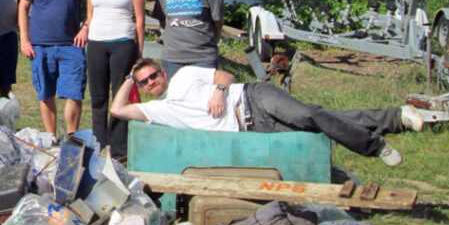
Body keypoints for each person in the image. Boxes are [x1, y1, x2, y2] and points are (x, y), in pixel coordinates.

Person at [110, 58, 425, 166]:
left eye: (154, 75)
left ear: (163, 72)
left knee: (309, 116)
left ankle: (376, 146)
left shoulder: (185, 76)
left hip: (253, 98)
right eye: (144, 81)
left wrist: (219, 93)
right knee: (321, 123)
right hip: (253, 130)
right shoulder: (158, 110)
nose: (151, 82)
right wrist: (128, 75)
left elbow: (224, 75)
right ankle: (396, 117)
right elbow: (118, 108)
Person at [18, 0, 90, 136]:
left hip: (71, 45)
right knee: (45, 93)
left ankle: (71, 138)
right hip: (40, 45)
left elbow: (95, 2)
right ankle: (51, 138)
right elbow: (23, 7)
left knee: (74, 93)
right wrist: (24, 39)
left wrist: (85, 27)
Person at [85, 0, 146, 159]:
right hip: (97, 43)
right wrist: (86, 30)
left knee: (121, 95)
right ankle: (99, 144)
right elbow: (90, 15)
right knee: (98, 97)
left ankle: (119, 148)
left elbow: (140, 19)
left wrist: (139, 52)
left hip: (123, 42)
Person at [153, 0, 223, 79]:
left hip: (203, 58)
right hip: (173, 59)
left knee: (204, 96)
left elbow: (217, 24)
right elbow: (163, 22)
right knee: (177, 97)